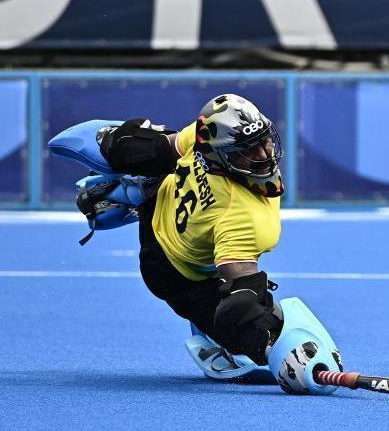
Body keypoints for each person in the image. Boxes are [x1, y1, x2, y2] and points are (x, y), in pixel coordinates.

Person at [54, 93, 342, 394]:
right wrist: (272, 346)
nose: (264, 154)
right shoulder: (248, 218)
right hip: (172, 274)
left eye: (264, 140)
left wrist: (118, 143)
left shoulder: (206, 138)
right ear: (221, 155)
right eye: (249, 150)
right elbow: (239, 303)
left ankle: (135, 192)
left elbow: (162, 148)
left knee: (151, 147)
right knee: (251, 323)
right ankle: (209, 331)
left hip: (165, 202)